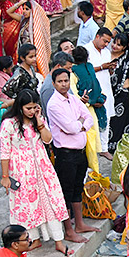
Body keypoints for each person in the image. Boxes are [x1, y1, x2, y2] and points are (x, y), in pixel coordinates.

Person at [0, 88, 70, 253]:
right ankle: (34, 239)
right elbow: (5, 151)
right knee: (27, 205)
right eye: (28, 108)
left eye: (34, 107)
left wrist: (39, 121)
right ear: (20, 106)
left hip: (42, 167)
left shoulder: (38, 121)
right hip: (21, 170)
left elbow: (48, 140)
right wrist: (5, 176)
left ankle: (58, 241)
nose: (32, 111)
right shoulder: (9, 124)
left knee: (51, 201)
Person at [45, 67, 97, 242]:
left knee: (77, 188)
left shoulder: (73, 99)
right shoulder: (53, 104)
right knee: (66, 192)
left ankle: (80, 224)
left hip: (79, 152)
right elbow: (71, 128)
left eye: (66, 81)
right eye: (60, 81)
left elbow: (87, 118)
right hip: (65, 154)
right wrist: (80, 124)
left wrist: (80, 123)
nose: (63, 84)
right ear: (53, 83)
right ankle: (68, 230)